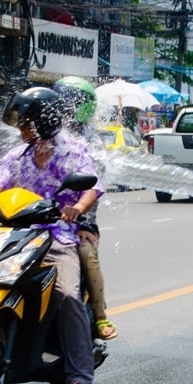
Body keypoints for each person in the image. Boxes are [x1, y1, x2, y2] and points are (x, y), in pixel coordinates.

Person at [0, 87, 103, 384]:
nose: (21, 129)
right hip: (11, 234)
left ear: (44, 121)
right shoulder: (17, 155)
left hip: (56, 235)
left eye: (27, 123)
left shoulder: (74, 152)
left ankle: (80, 374)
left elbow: (91, 188)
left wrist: (78, 209)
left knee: (68, 295)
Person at [53, 76, 117, 340]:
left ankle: (100, 315)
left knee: (87, 254)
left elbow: (94, 186)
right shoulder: (49, 134)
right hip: (41, 218)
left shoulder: (91, 143)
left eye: (67, 105)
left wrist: (83, 220)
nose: (62, 111)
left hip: (78, 221)